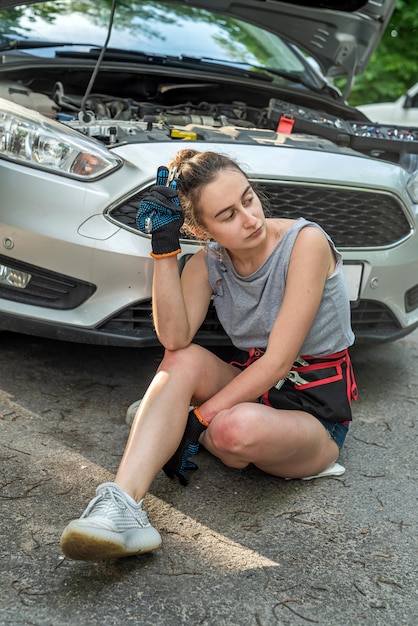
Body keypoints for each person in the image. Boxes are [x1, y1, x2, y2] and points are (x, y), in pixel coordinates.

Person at [60, 149, 357, 561]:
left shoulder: (306, 243)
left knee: (230, 432)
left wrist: (197, 420)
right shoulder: (208, 262)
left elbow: (277, 363)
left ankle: (169, 424)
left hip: (314, 410)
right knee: (182, 362)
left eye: (248, 199)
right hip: (251, 388)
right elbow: (175, 338)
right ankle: (120, 509)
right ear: (202, 228)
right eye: (228, 215)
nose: (250, 219)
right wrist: (163, 249)